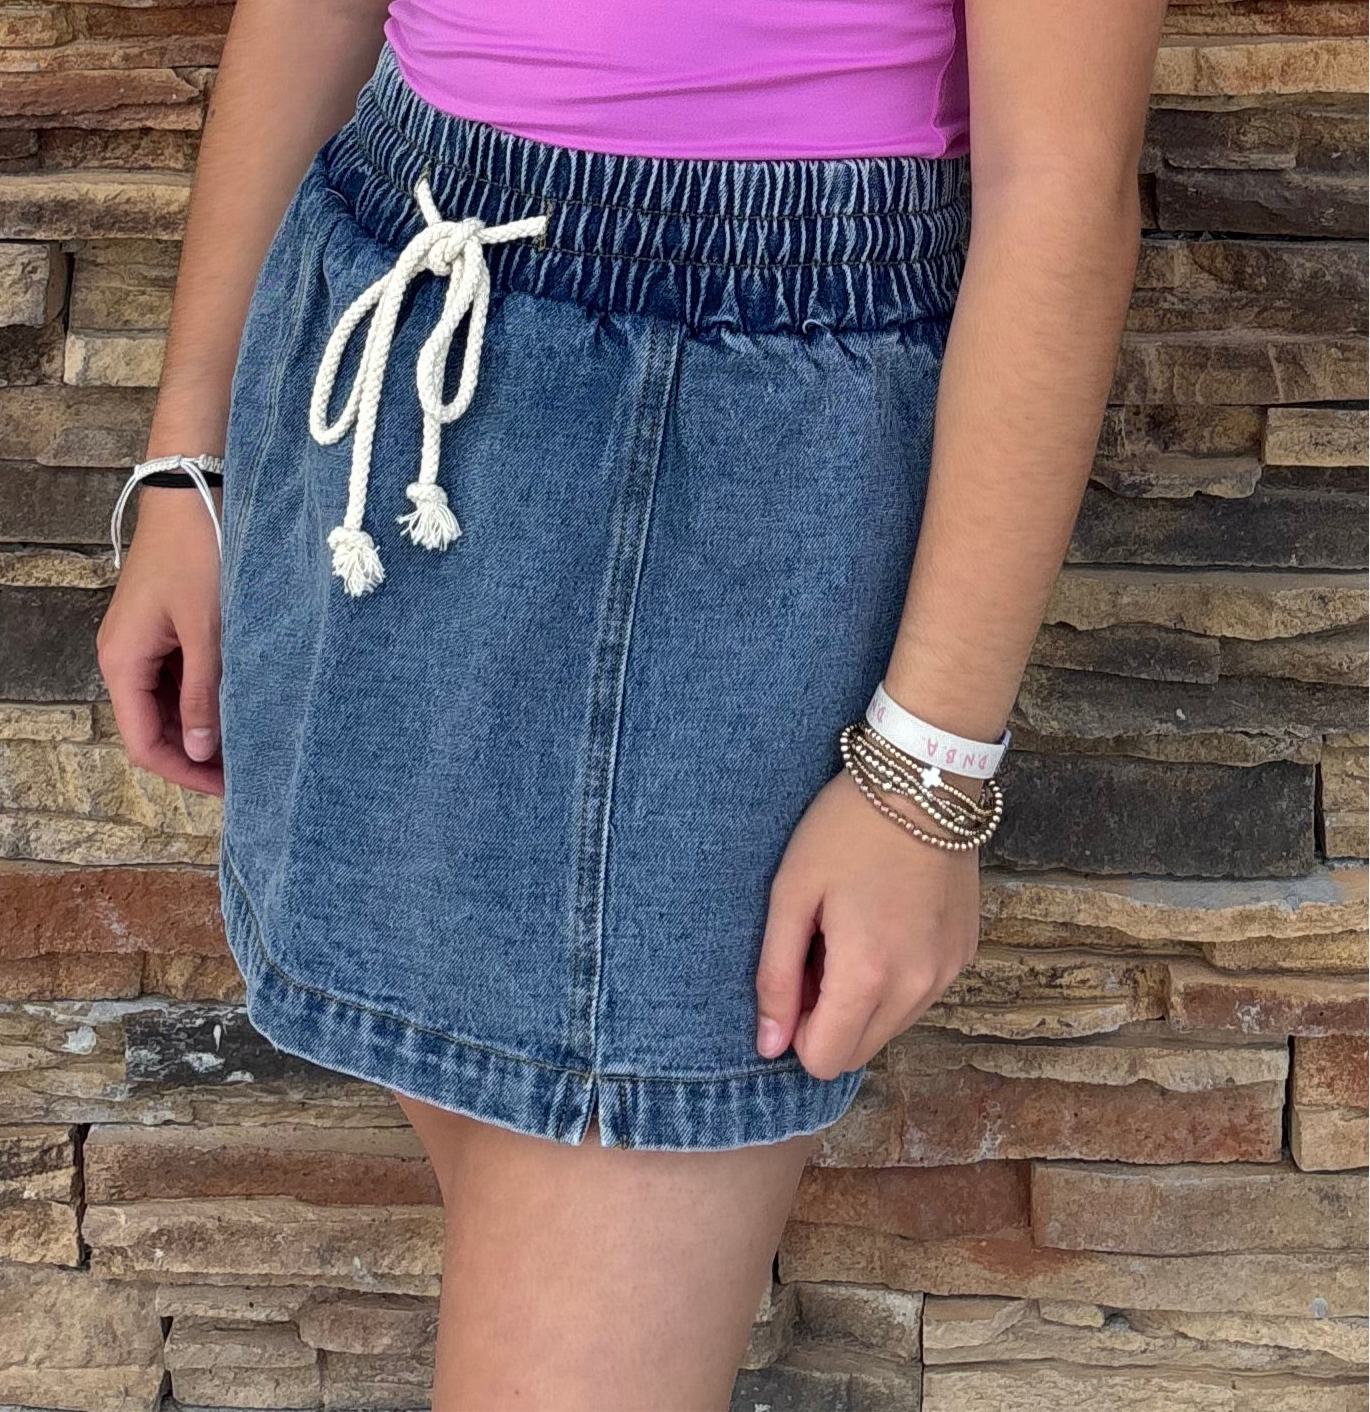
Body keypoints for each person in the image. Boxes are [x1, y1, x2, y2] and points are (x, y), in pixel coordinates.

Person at [95, 1, 1170, 1407]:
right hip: (397, 355)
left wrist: (927, 770)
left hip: (740, 445)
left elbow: (1062, 186)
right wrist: (191, 463)